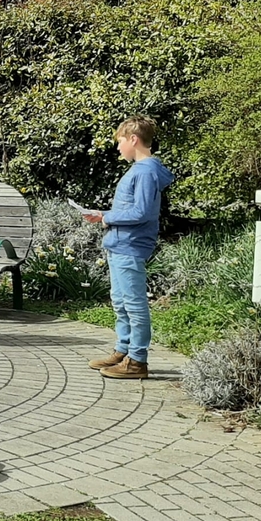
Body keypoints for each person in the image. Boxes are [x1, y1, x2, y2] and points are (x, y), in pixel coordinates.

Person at [84, 114, 173, 380]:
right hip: (120, 245)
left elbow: (142, 212)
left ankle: (137, 360)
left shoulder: (145, 171)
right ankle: (123, 351)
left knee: (134, 305)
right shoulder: (140, 170)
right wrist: (103, 214)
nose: (118, 147)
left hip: (130, 247)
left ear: (133, 139)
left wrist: (107, 218)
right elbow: (131, 209)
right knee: (121, 302)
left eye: (120, 141)